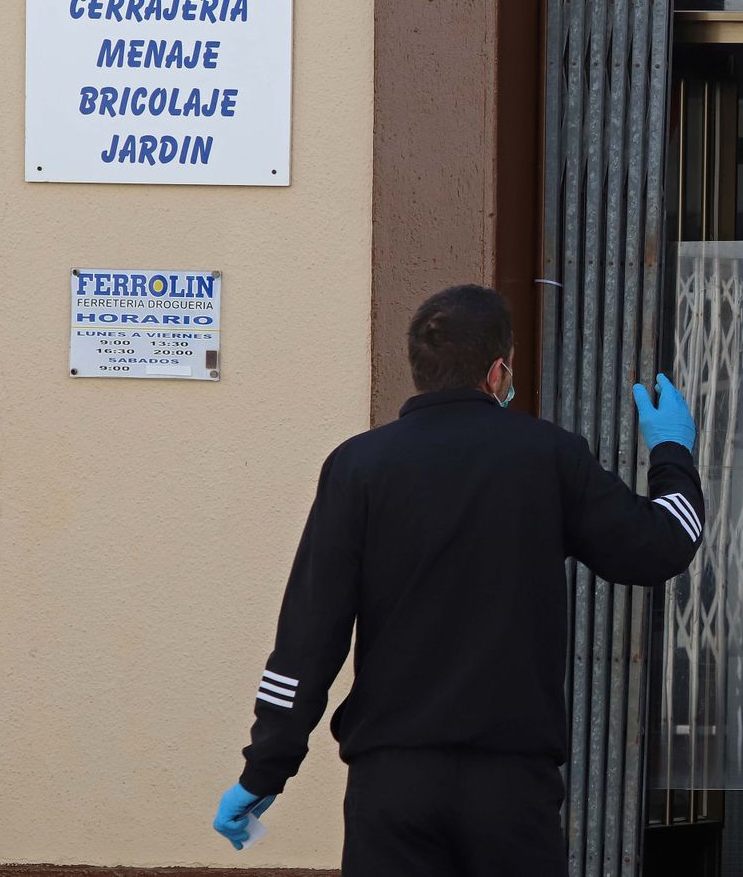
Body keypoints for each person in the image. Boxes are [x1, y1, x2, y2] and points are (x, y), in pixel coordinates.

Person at [208, 284, 703, 876]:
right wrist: (672, 451)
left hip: (392, 786)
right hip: (511, 785)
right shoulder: (549, 456)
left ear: (419, 371)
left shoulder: (357, 466)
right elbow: (661, 545)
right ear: (498, 372)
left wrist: (265, 769)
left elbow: (308, 639)